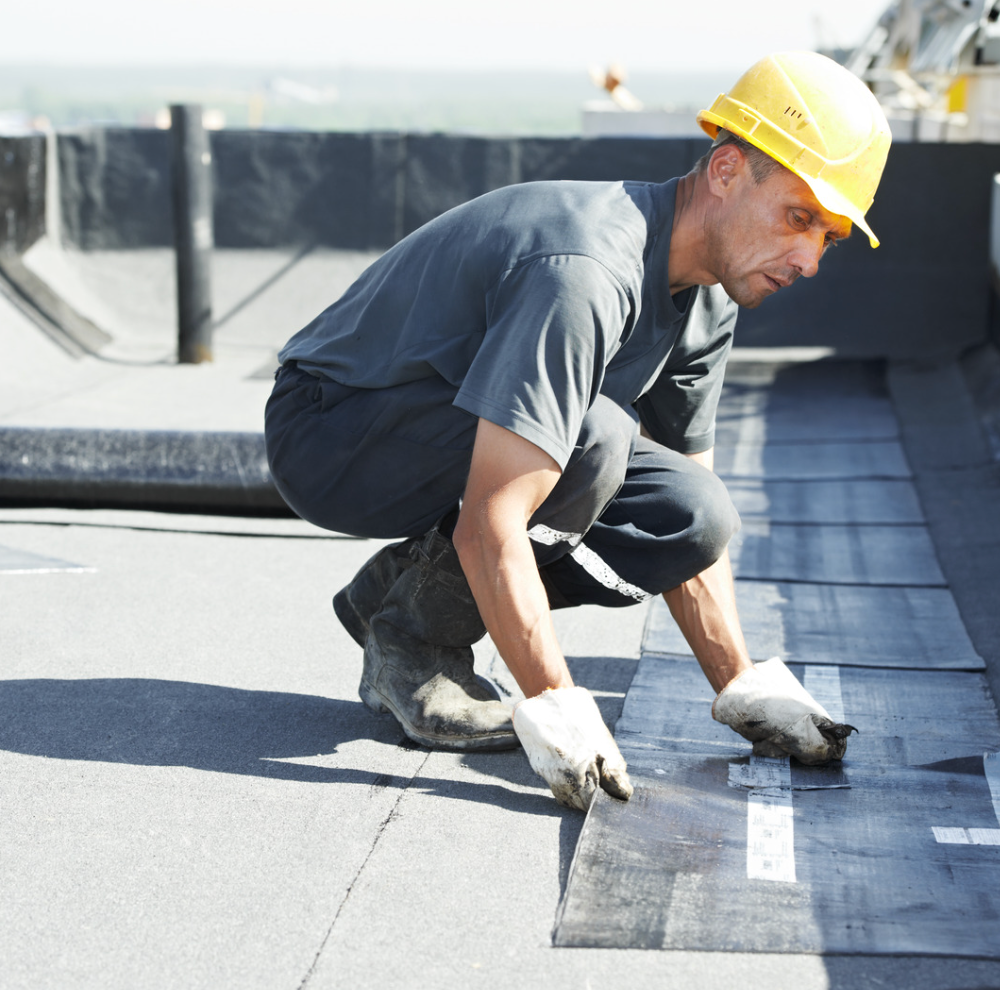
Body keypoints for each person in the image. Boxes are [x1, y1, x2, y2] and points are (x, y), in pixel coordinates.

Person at [264, 51, 892, 811]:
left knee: (693, 515)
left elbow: (688, 499)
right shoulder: (587, 270)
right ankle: (413, 649)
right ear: (726, 171)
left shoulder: (710, 296)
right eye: (800, 218)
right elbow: (495, 516)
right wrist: (555, 701)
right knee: (593, 439)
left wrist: (742, 685)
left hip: (444, 436)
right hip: (335, 428)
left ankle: (398, 597)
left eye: (829, 236)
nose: (810, 260)